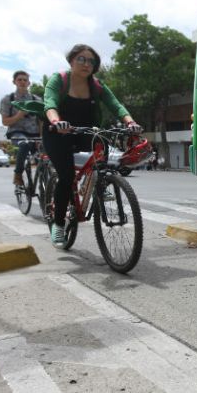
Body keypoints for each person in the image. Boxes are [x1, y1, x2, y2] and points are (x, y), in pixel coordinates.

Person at [43, 44, 142, 249]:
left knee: (103, 142)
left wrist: (130, 122)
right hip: (57, 133)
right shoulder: (59, 80)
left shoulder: (96, 85)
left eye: (91, 61)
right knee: (67, 176)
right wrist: (56, 121)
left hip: (84, 131)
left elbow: (115, 105)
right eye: (81, 59)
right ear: (71, 61)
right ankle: (59, 224)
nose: (86, 64)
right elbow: (50, 103)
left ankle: (100, 183)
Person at [0, 71, 42, 185]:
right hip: (17, 132)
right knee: (24, 144)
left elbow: (41, 121)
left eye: (25, 80)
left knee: (48, 149)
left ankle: (48, 178)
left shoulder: (36, 99)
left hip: (35, 133)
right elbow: (5, 121)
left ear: (29, 83)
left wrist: (42, 137)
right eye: (19, 80)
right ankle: (17, 174)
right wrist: (19, 115)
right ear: (14, 82)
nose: (22, 82)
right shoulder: (8, 99)